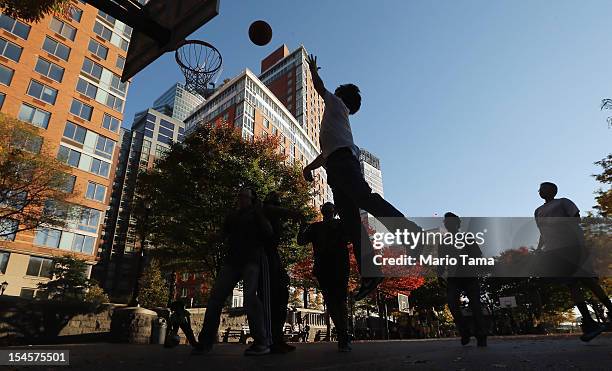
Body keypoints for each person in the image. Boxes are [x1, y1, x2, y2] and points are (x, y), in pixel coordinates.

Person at [302, 54, 422, 302]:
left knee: (365, 199)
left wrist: (313, 70)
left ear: (341, 96)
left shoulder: (336, 105)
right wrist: (308, 168)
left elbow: (319, 88)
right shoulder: (337, 123)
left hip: (343, 164)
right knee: (352, 225)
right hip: (336, 169)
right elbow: (325, 156)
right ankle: (371, 273)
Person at [194, 188, 273, 356]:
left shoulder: (257, 214)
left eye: (245, 196)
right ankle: (205, 342)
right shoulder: (232, 216)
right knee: (215, 298)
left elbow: (268, 232)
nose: (241, 199)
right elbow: (223, 234)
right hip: (232, 261)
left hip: (252, 260)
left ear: (252, 199)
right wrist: (212, 237)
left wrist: (259, 212)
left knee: (250, 298)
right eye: (240, 196)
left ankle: (261, 342)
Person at [534, 182, 610, 342]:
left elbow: (576, 219)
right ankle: (589, 322)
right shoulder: (537, 211)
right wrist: (539, 248)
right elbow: (542, 232)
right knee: (571, 284)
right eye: (540, 189)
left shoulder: (564, 202)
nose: (540, 191)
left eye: (544, 188)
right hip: (555, 252)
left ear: (553, 190)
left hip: (572, 246)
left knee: (588, 280)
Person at [297, 202, 352, 352]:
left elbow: (300, 240)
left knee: (334, 302)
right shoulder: (338, 224)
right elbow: (351, 238)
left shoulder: (317, 227)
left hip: (327, 268)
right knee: (339, 302)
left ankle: (343, 335)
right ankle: (343, 335)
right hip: (336, 267)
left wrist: (302, 226)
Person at [259, 191, 302, 354]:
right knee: (269, 300)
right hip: (265, 256)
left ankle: (277, 338)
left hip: (273, 256)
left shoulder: (273, 215)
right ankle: (270, 340)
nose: (276, 207)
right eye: (275, 204)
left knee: (281, 296)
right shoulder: (264, 210)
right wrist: (292, 213)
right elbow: (270, 209)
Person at [437, 212, 487, 347]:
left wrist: (480, 271)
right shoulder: (443, 242)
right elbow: (441, 261)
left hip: (470, 275)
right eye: (446, 222)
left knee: (475, 305)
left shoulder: (467, 237)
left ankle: (481, 335)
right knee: (452, 303)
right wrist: (439, 274)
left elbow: (478, 256)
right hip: (454, 277)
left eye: (450, 221)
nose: (447, 224)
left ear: (457, 223)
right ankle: (464, 331)